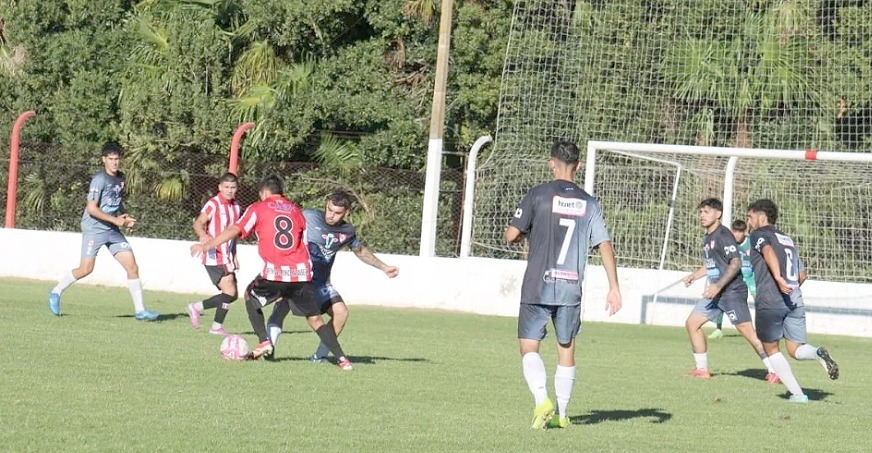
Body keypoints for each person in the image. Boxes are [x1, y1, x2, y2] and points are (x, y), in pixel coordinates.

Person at [505, 140, 622, 430]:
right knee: (566, 347)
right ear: (578, 166)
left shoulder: (538, 194)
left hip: (538, 284)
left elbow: (511, 235)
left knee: (529, 346)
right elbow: (604, 245)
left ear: (551, 163)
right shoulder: (590, 203)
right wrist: (614, 287)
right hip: (570, 286)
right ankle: (563, 413)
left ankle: (541, 400)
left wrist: (528, 232)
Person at [190, 176, 352, 370]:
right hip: (302, 273)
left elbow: (235, 229)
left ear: (264, 192)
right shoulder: (296, 210)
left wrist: (207, 244)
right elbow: (304, 240)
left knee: (249, 295)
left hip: (275, 271)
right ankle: (343, 360)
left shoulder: (258, 207)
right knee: (315, 319)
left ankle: (264, 341)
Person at [265, 190, 399, 362]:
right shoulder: (309, 217)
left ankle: (318, 357)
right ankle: (268, 349)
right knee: (281, 307)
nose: (331, 215)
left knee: (341, 313)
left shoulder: (347, 231)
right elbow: (284, 232)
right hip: (297, 277)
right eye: (329, 209)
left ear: (346, 213)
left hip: (321, 283)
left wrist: (384, 267)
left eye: (337, 213)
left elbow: (360, 251)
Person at [48, 143, 159, 321]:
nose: (115, 162)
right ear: (104, 160)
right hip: (94, 229)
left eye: (117, 159)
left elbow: (116, 201)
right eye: (111, 159)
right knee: (86, 269)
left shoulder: (121, 178)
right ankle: (56, 291)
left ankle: (140, 311)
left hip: (112, 229)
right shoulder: (99, 179)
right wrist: (116, 220)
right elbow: (92, 208)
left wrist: (125, 217)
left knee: (132, 267)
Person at [746, 199, 839, 403]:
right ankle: (817, 353)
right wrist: (790, 287)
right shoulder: (786, 239)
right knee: (795, 350)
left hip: (771, 298)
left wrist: (778, 279)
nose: (749, 222)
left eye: (750, 217)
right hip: (794, 298)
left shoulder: (758, 235)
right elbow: (802, 274)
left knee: (771, 349)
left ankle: (798, 395)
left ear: (762, 216)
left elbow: (767, 251)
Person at [682, 199, 777, 383]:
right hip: (716, 293)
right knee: (692, 324)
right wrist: (694, 276)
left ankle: (775, 370)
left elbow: (736, 262)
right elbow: (712, 264)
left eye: (706, 212)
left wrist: (717, 285)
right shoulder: (708, 237)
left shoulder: (723, 235)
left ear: (718, 214)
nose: (702, 215)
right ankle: (701, 369)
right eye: (700, 212)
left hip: (732, 292)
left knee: (749, 333)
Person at [186, 172, 242, 335]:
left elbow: (233, 233)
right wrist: (202, 234)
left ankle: (196, 308)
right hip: (214, 254)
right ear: (220, 187)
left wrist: (234, 254)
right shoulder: (213, 204)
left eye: (232, 187)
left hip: (227, 256)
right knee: (229, 292)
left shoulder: (236, 206)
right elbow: (198, 222)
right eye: (226, 187)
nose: (229, 190)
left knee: (232, 295)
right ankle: (216, 326)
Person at [708, 220, 757, 339]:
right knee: (720, 300)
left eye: (740, 232)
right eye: (735, 231)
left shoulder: (750, 243)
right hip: (734, 277)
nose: (737, 235)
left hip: (749, 276)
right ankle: (718, 329)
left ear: (745, 232)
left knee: (759, 301)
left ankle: (760, 328)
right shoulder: (728, 242)